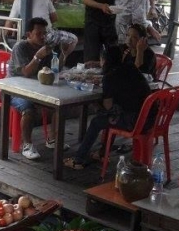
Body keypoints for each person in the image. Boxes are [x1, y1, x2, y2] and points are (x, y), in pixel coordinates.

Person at [64, 24, 157, 169]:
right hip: (149, 117)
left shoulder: (110, 77)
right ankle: (102, 152)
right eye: (128, 36)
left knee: (98, 120)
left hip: (136, 121)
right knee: (105, 116)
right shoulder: (130, 68)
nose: (130, 40)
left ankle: (78, 160)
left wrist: (103, 100)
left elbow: (108, 106)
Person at [8, 18, 70, 160]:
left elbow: (55, 70)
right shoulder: (20, 47)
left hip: (37, 88)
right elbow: (25, 72)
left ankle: (53, 140)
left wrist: (64, 54)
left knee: (59, 105)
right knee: (28, 108)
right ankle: (27, 144)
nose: (43, 36)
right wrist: (37, 57)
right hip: (15, 90)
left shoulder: (47, 47)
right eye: (39, 33)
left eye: (45, 33)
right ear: (29, 34)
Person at [6, 0, 78, 66]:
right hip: (47, 35)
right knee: (74, 39)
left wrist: (2, 37)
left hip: (27, 35)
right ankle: (62, 60)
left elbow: (9, 23)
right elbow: (54, 18)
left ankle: (58, 62)